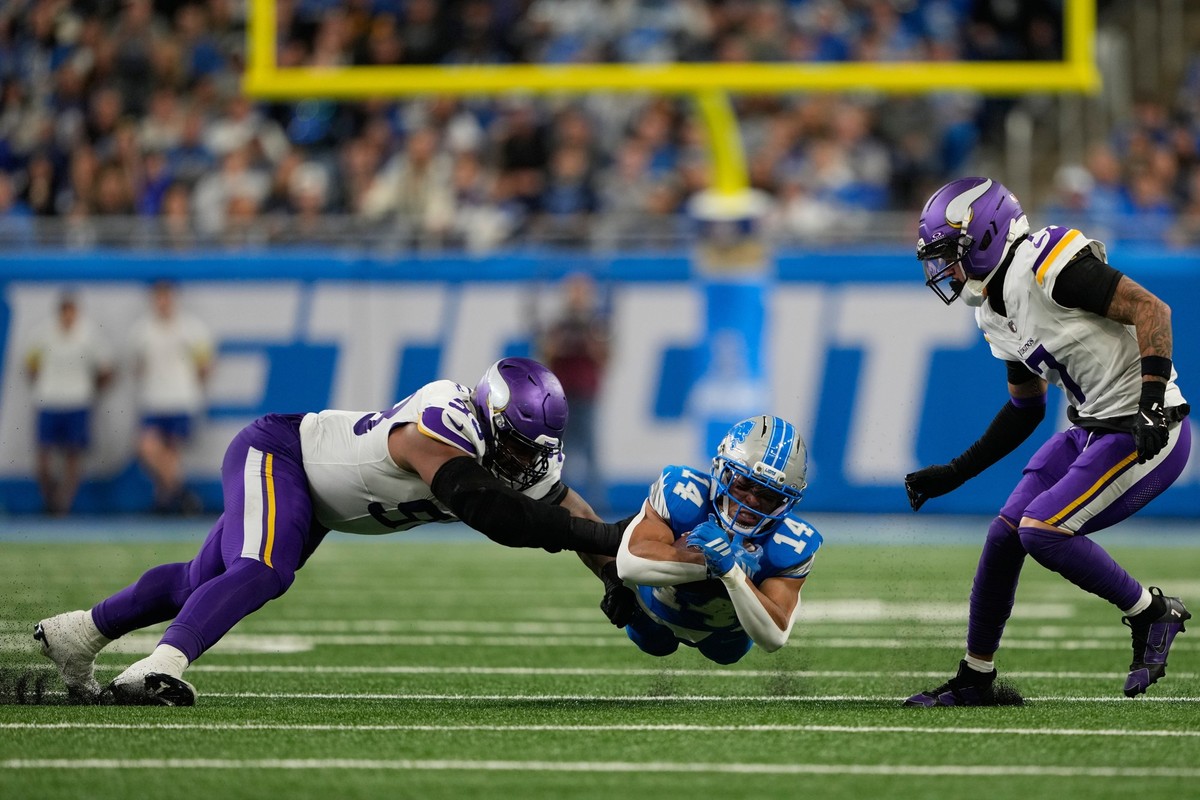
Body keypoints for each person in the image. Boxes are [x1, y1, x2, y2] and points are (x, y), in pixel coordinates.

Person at [35, 357, 627, 706]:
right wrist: (607, 538)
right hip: (282, 453)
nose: (528, 465)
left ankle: (79, 633)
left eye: (537, 452)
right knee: (263, 570)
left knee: (198, 581)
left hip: (320, 500)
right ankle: (159, 666)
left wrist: (614, 572)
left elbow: (566, 507)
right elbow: (494, 516)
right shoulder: (440, 421)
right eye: (520, 449)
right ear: (491, 420)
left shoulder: (519, 456)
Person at [903, 177, 1192, 707]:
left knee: (1043, 530)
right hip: (1089, 429)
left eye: (952, 254)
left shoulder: (1046, 262)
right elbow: (1026, 406)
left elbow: (1154, 310)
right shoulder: (991, 308)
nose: (945, 269)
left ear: (987, 233)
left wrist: (1151, 401)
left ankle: (1151, 612)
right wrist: (956, 471)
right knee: (1004, 535)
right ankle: (975, 676)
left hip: (1147, 425)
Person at [612, 415, 821, 664]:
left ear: (786, 501)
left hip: (726, 635)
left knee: (726, 654)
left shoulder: (791, 542)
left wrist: (732, 574)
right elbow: (629, 563)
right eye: (743, 483)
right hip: (654, 612)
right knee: (652, 641)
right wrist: (710, 562)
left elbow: (773, 636)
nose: (752, 501)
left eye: (768, 495)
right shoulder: (683, 492)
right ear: (723, 471)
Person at [23, 292, 115, 515]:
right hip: (49, 399)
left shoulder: (88, 334)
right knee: (44, 454)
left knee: (74, 454)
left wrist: (90, 391)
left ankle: (64, 502)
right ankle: (50, 499)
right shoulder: (43, 333)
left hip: (77, 400)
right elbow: (30, 365)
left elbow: (106, 367)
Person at [128, 280, 214, 514]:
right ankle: (183, 495)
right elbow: (137, 366)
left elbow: (205, 365)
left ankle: (163, 502)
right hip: (153, 399)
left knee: (171, 452)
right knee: (149, 448)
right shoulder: (143, 330)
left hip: (180, 398)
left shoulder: (190, 327)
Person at [537, 272, 611, 509]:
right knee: (559, 452)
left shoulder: (596, 323)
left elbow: (605, 356)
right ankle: (559, 500)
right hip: (561, 395)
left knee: (590, 452)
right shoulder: (560, 324)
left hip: (586, 393)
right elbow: (546, 353)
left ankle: (597, 505)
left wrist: (588, 341)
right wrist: (561, 345)